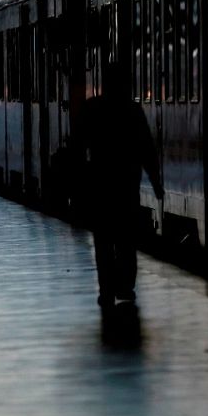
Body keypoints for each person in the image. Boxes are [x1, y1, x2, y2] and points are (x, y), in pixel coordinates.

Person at [81, 61, 164, 320]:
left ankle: (107, 289)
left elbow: (78, 145)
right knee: (126, 239)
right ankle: (125, 286)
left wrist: (79, 180)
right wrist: (156, 182)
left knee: (103, 241)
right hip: (126, 185)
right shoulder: (132, 110)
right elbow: (146, 149)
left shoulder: (92, 109)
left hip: (101, 186)